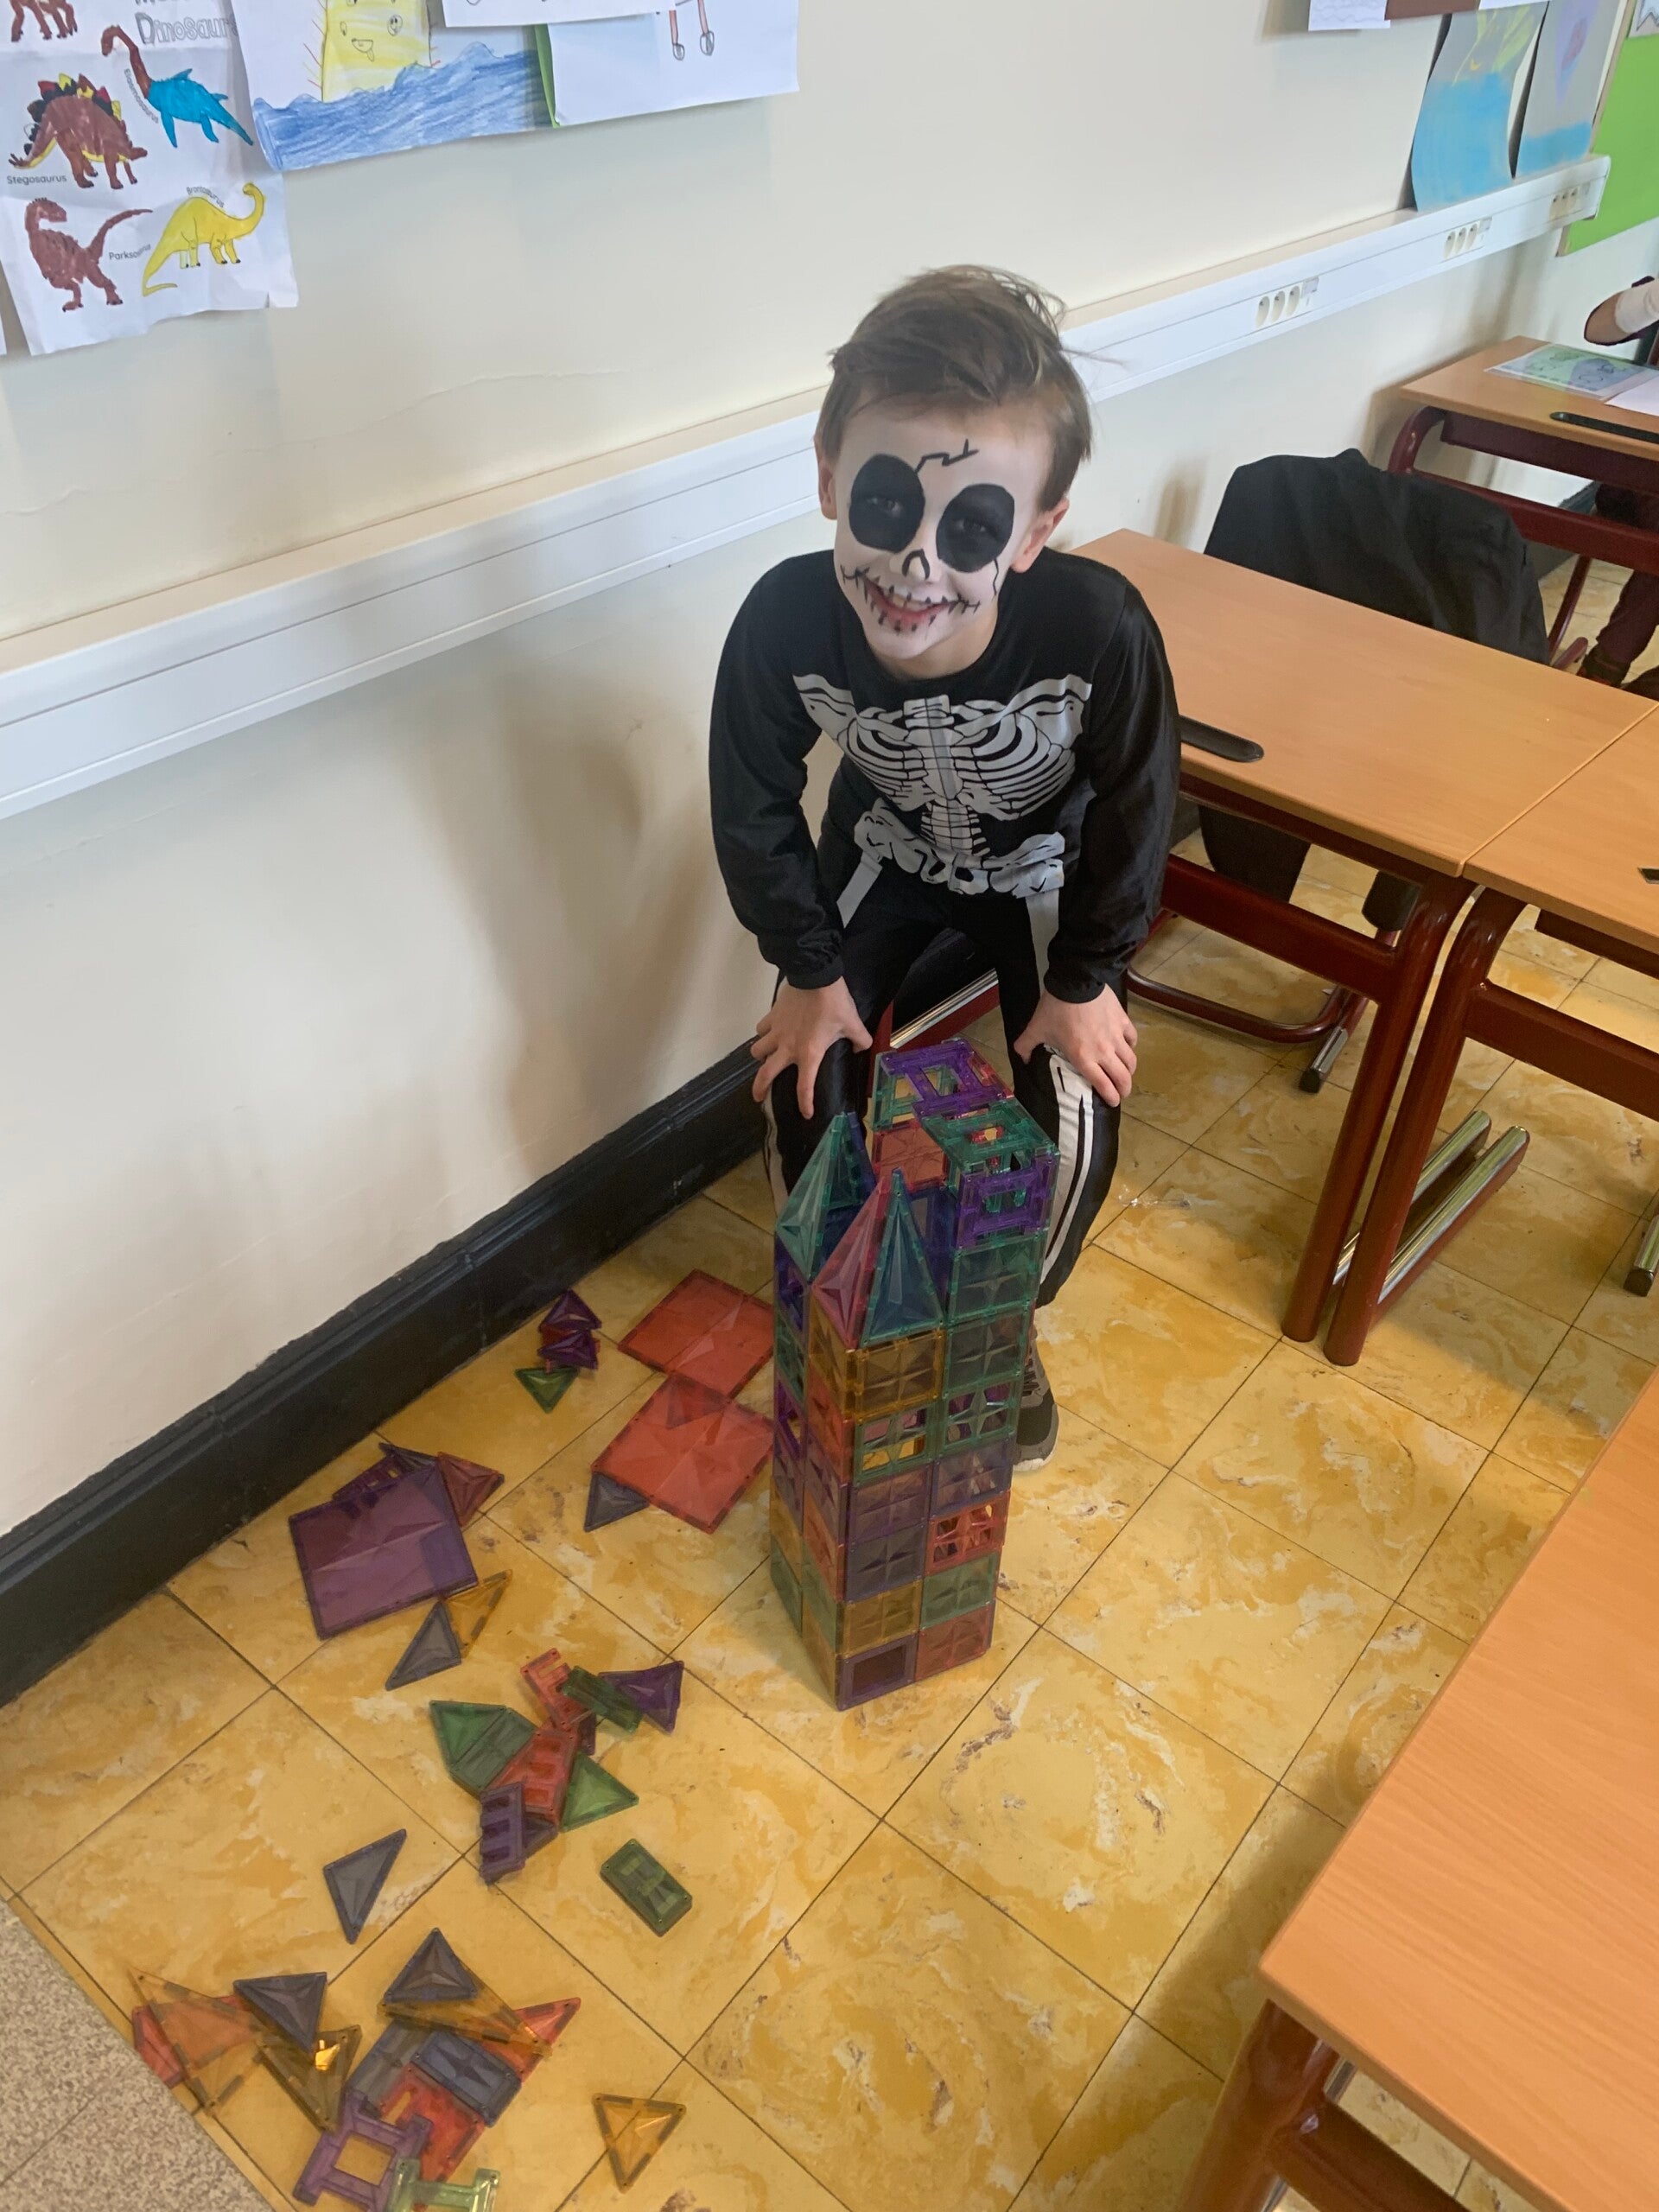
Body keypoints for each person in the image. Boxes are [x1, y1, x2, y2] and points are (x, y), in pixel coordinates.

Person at [708, 264, 1179, 1470]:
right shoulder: (783, 620)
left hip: (1041, 870)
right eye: (885, 504)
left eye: (971, 526)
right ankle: (841, 1297)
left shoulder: (1099, 629)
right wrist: (807, 969)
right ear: (828, 476)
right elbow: (751, 801)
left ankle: (1000, 1325)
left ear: (1036, 531)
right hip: (887, 849)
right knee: (804, 1069)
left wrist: (1087, 978)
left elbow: (1138, 809)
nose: (916, 563)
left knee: (1076, 1104)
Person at [1577, 276, 1659, 688]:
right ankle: (1605, 671)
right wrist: (1652, 298)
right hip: (1642, 478)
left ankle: (1604, 669)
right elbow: (1598, 329)